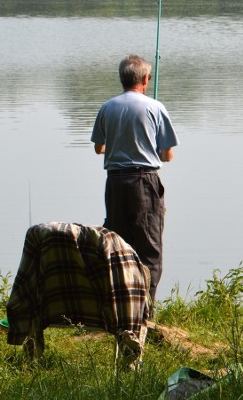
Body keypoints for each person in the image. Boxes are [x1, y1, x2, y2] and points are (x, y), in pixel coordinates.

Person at [91, 54, 178, 302]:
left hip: (115, 182)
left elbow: (99, 148)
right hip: (145, 181)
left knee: (118, 243)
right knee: (149, 246)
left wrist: (119, 146)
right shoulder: (155, 107)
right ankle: (145, 308)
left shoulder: (107, 107)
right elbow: (168, 155)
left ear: (122, 79)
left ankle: (118, 303)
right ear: (145, 79)